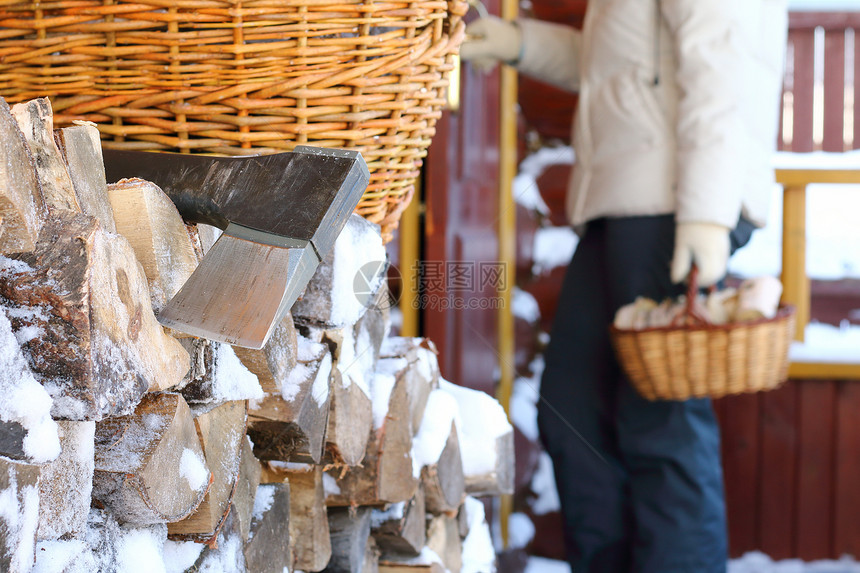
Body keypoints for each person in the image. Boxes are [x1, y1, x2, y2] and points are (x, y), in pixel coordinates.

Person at [460, 2, 788, 572]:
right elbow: (621, 63)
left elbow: (722, 58)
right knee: (574, 413)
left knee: (659, 424)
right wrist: (518, 41)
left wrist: (707, 214)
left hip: (675, 201)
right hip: (626, 203)